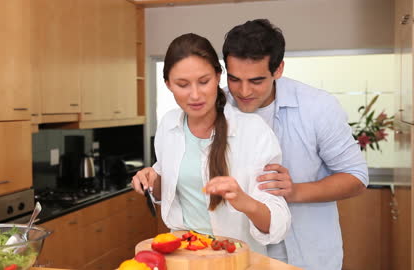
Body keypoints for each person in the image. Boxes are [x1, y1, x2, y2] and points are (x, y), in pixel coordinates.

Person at [221, 19, 369, 270]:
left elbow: (356, 177)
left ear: (278, 70)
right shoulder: (218, 107)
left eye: (256, 81)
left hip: (308, 256)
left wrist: (294, 191)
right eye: (234, 79)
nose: (243, 91)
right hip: (238, 254)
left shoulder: (318, 107)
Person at [131, 33, 291, 254]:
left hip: (235, 259)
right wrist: (151, 179)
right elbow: (167, 189)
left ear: (218, 76)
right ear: (168, 84)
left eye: (204, 82)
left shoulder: (254, 131)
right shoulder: (168, 124)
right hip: (184, 255)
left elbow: (278, 225)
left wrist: (243, 200)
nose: (195, 95)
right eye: (182, 84)